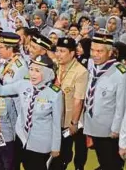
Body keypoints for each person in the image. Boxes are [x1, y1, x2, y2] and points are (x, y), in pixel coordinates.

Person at [0, 54, 63, 170]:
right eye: (31, 69)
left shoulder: (55, 93)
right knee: (19, 165)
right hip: (21, 137)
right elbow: (1, 91)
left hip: (41, 142)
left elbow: (57, 123)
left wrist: (56, 147)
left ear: (48, 73)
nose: (32, 74)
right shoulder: (23, 84)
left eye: (37, 71)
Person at [83, 31, 126, 170]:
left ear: (110, 52)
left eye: (100, 51)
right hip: (93, 123)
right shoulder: (91, 64)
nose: (95, 54)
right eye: (92, 50)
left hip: (109, 129)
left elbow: (121, 105)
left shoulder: (121, 73)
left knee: (111, 163)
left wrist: (116, 130)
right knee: (103, 160)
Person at [55, 37, 89, 170]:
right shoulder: (57, 66)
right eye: (57, 50)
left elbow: (78, 100)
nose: (58, 54)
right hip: (59, 118)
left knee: (79, 148)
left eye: (62, 51)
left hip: (74, 120)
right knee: (64, 150)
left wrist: (74, 123)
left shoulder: (81, 71)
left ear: (72, 53)